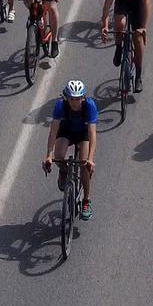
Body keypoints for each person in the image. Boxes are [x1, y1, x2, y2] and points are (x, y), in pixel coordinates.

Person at [42, 80, 99, 220]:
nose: (75, 102)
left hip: (83, 134)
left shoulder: (89, 106)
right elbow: (53, 132)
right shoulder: (60, 105)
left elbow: (92, 134)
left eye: (78, 98)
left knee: (84, 166)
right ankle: (64, 170)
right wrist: (49, 155)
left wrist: (90, 159)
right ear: (67, 97)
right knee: (59, 156)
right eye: (72, 99)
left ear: (83, 97)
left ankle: (86, 201)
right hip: (66, 131)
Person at [100, 0, 153, 92]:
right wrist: (105, 26)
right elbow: (107, 5)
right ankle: (119, 47)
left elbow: (147, 3)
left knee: (138, 39)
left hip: (137, 6)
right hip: (122, 3)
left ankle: (138, 76)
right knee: (120, 23)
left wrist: (144, 28)